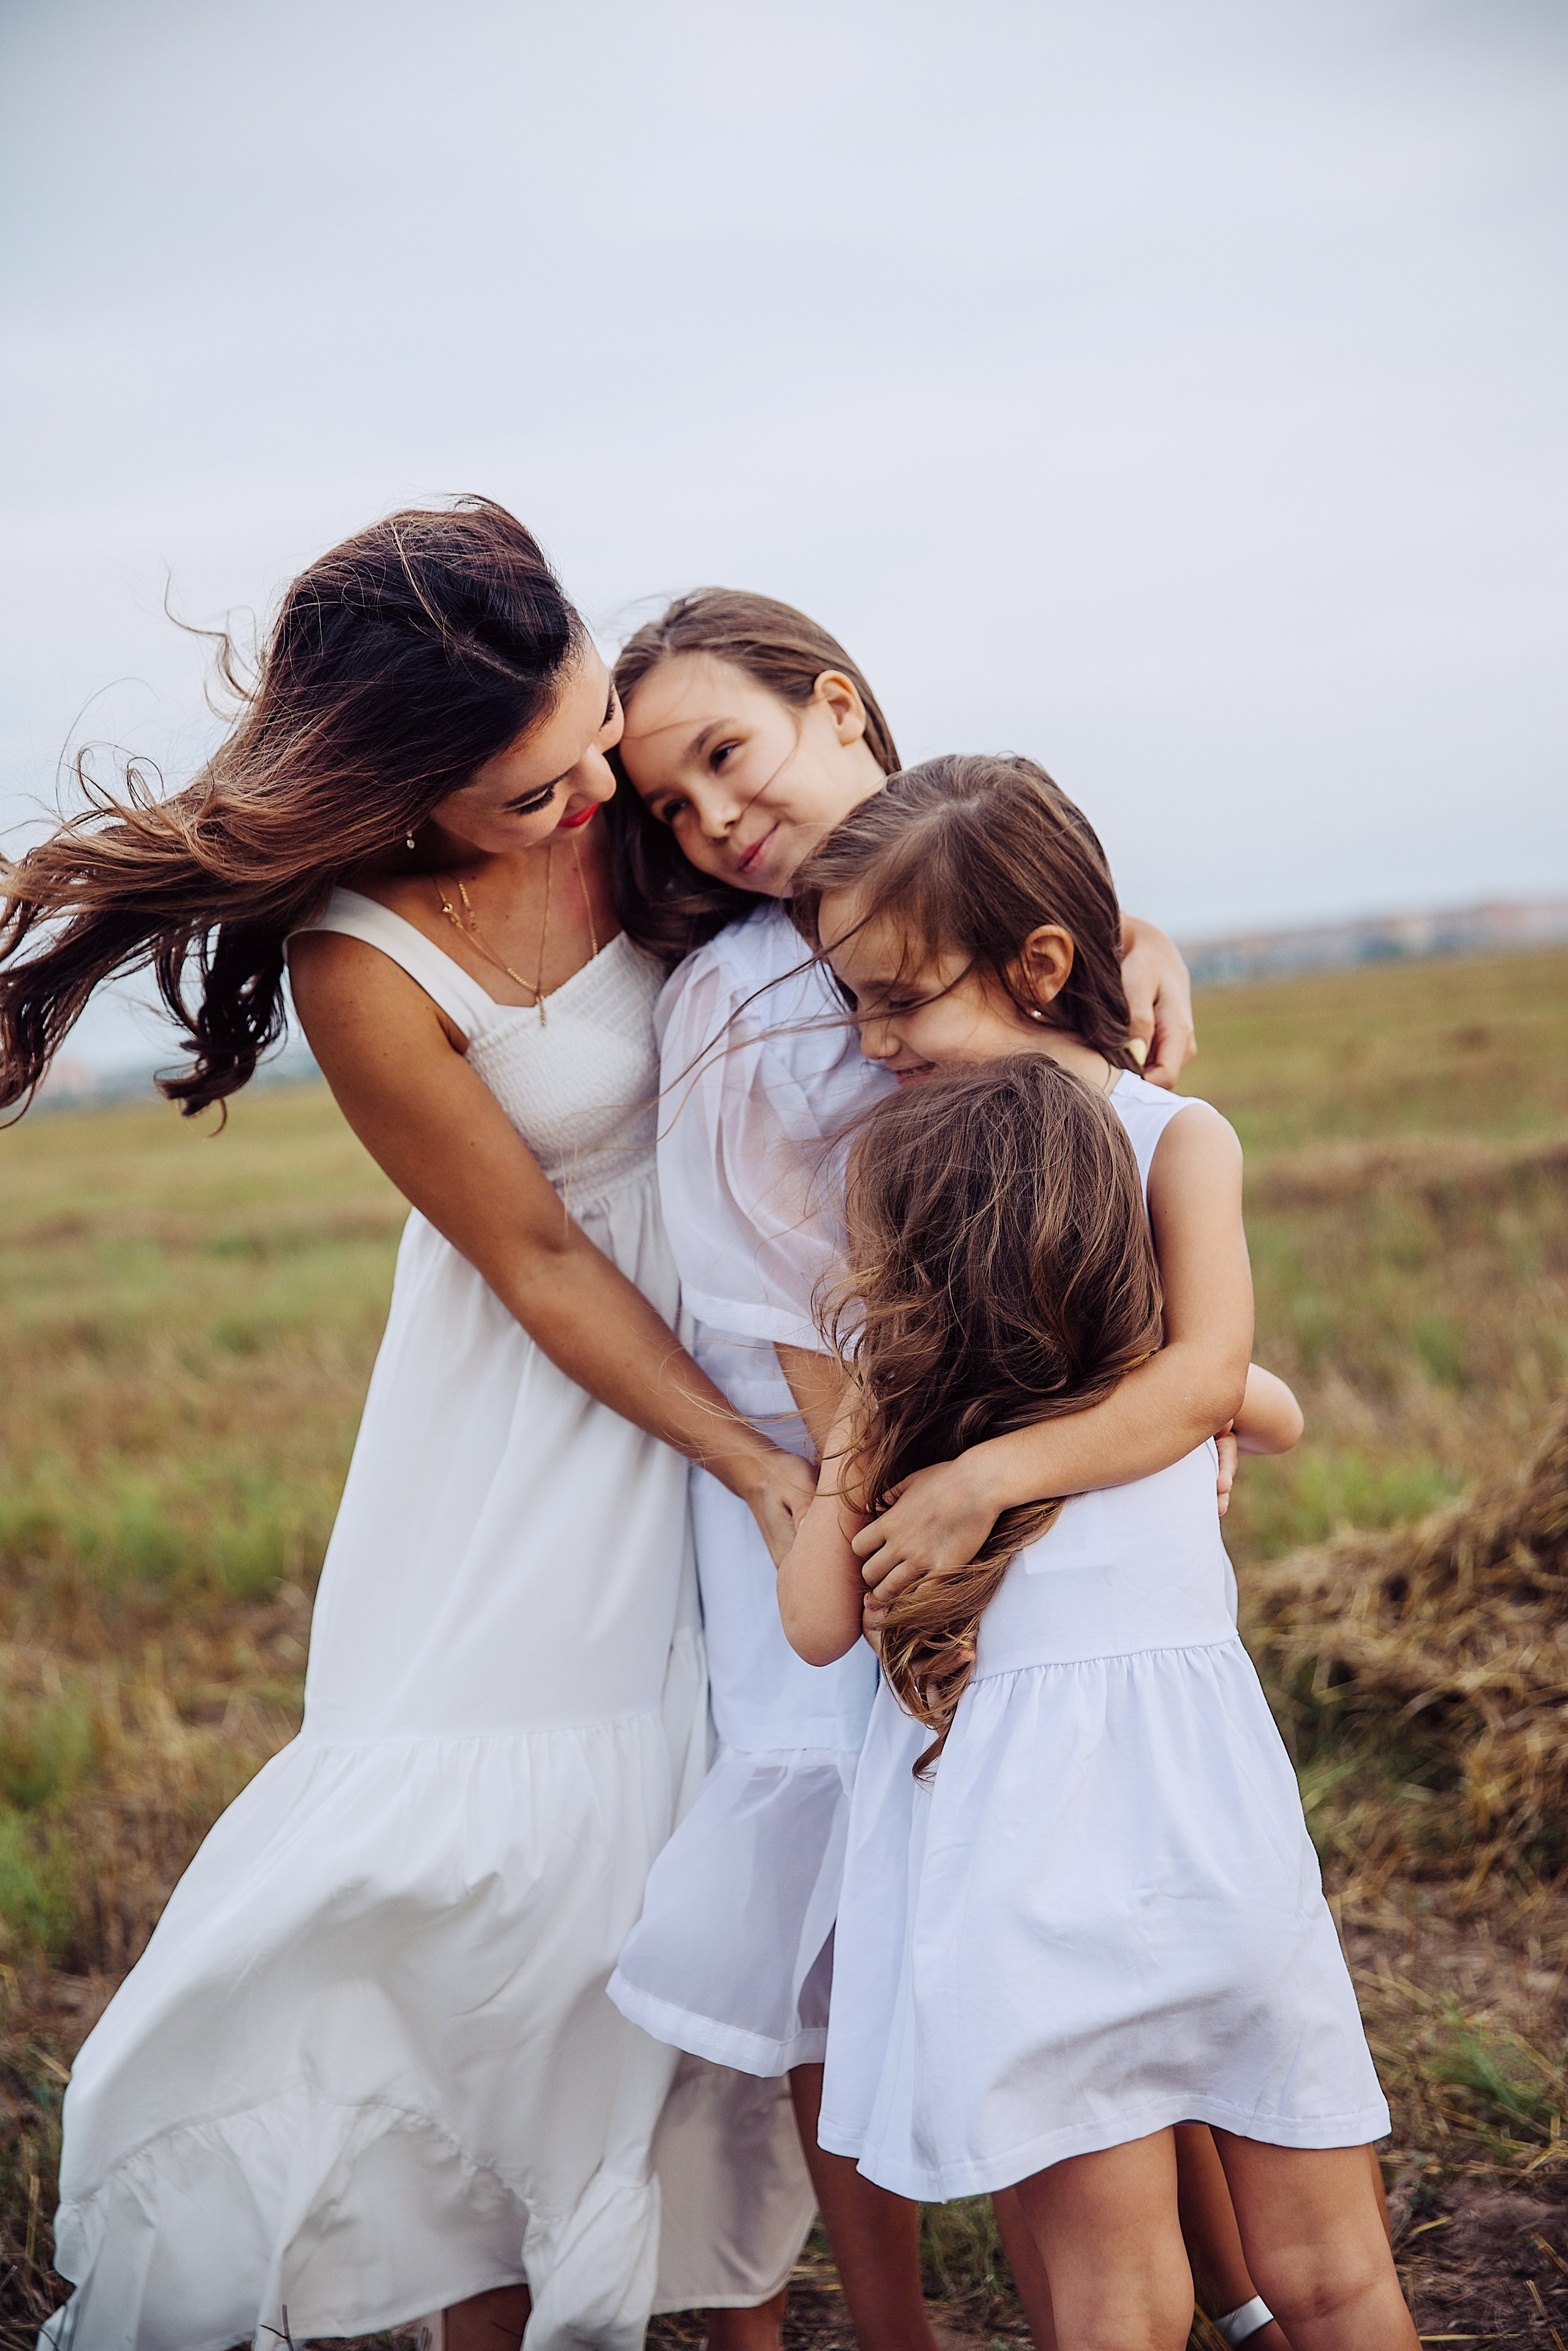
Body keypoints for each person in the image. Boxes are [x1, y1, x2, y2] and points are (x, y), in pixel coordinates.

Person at [0, 504, 819, 2351]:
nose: (597, 796)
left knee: (696, 1858)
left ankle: (713, 2282)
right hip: (531, 1446)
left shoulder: (653, 803)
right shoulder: (362, 960)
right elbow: (532, 1255)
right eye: (529, 797)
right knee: (485, 1895)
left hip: (743, 1356)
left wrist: (1124, 941)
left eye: (593, 732)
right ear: (405, 796)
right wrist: (754, 1464)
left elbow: (903, 861)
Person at [605, 600, 1286, 2347]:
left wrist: (1156, 1411)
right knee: (861, 1899)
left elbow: (1074, 1069)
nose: (708, 824)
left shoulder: (988, 895)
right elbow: (781, 1314)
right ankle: (922, 2317)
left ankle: (1230, 2278)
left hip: (1049, 1447)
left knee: (1095, 1852)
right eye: (666, 808)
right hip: (853, 1451)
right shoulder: (744, 1004)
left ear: (839, 704)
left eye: (724, 758)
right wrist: (922, 1487)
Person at [777, 756, 1414, 2351]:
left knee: (1130, 2297)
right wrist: (1198, 1418)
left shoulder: (1068, 1155)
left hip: (1035, 1797)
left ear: (1039, 967)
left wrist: (961, 1473)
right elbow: (1229, 1387)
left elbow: (1210, 1384)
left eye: (896, 998)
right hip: (1191, 1765)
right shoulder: (989, 1154)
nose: (873, 1043)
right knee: (1332, 2271)